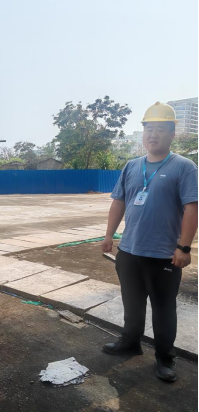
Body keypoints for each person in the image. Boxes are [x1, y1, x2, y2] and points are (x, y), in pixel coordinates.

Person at [101, 102, 198, 383]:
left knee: (163, 308)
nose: (153, 135)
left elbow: (192, 208)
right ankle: (130, 342)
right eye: (149, 129)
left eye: (160, 130)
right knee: (132, 303)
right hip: (129, 251)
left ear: (172, 135)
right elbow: (118, 202)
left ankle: (165, 357)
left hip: (164, 255)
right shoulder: (132, 166)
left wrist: (184, 247)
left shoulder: (184, 167)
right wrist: (109, 235)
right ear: (143, 134)